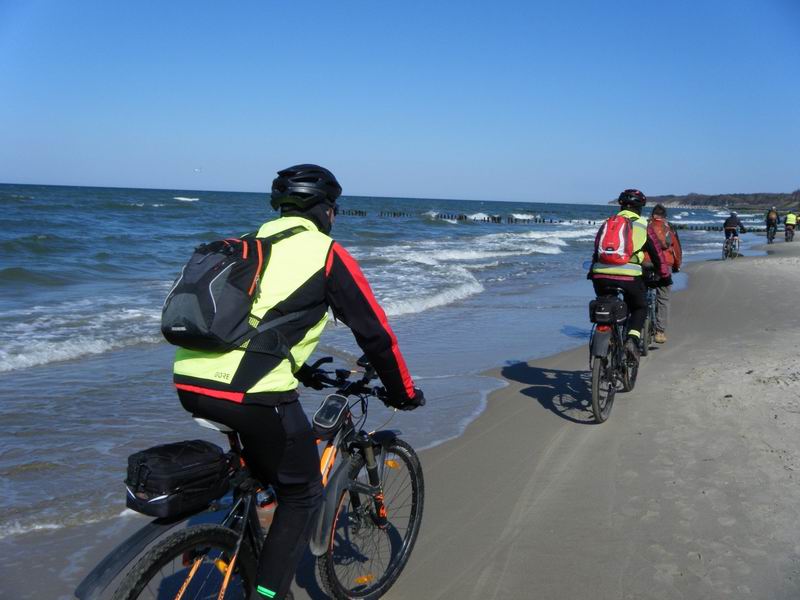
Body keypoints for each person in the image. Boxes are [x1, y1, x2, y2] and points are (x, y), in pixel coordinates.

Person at [172, 164, 425, 600]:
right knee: (303, 493)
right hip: (248, 392)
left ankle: (244, 532)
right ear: (326, 210)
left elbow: (259, 321)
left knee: (264, 468)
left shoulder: (251, 245)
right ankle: (267, 594)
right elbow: (375, 334)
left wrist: (302, 369)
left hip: (189, 380)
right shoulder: (324, 253)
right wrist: (403, 392)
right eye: (334, 209)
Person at [590, 189, 671, 362]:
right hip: (630, 275)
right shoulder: (643, 225)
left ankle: (608, 335)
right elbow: (657, 254)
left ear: (620, 206)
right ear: (640, 207)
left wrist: (592, 270)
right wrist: (664, 275)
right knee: (639, 307)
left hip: (600, 276)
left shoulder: (608, 223)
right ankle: (632, 340)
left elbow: (597, 249)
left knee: (605, 303)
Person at [645, 204, 682, 344]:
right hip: (664, 264)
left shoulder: (645, 225)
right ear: (664, 216)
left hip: (645, 263)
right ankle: (660, 332)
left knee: (640, 292)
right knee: (663, 298)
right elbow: (677, 249)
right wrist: (677, 266)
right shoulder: (669, 228)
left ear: (652, 215)